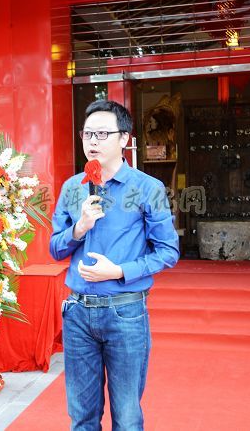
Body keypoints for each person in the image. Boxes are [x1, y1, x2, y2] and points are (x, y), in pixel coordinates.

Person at [50, 100, 180, 430]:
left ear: (124, 138)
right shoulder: (72, 188)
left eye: (102, 134)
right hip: (77, 312)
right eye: (87, 134)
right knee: (81, 416)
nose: (92, 141)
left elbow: (168, 251)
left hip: (125, 313)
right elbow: (54, 248)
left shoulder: (147, 188)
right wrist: (79, 228)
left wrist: (119, 271)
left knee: (127, 416)